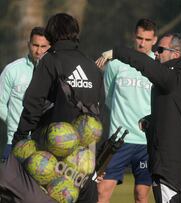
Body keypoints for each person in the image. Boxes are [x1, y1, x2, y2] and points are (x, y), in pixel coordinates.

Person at [0, 13, 104, 203]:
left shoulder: (50, 61)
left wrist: (19, 140)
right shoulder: (92, 66)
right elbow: (99, 112)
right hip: (83, 158)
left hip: (51, 155)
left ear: (52, 34)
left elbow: (33, 104)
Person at [97, 33, 181, 203]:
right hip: (173, 162)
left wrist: (116, 53)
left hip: (169, 164)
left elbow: (145, 64)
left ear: (175, 54)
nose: (156, 53)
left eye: (160, 49)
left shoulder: (175, 76)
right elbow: (174, 116)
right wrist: (151, 122)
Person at [97, 18, 157, 203]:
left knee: (141, 195)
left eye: (147, 40)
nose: (142, 43)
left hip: (145, 141)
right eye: (139, 38)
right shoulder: (116, 64)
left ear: (154, 40)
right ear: (134, 37)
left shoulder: (158, 66)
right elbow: (108, 97)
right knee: (101, 192)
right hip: (119, 140)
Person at [0, 27, 50, 162]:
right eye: (35, 45)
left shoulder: (54, 74)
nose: (38, 51)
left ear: (49, 47)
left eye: (43, 46)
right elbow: (0, 104)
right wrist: (15, 124)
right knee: (6, 183)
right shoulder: (12, 70)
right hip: (15, 141)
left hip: (44, 146)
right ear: (28, 44)